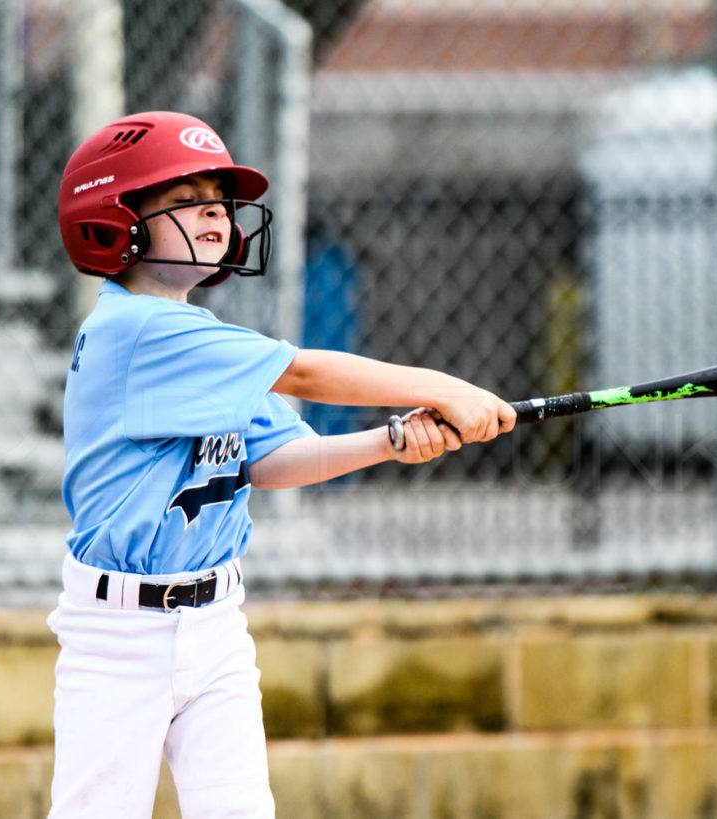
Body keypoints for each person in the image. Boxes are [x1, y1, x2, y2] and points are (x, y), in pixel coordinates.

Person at [50, 109, 515, 818]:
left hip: (215, 623)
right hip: (119, 636)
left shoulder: (202, 338)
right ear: (117, 220)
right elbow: (307, 375)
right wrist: (442, 385)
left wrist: (391, 440)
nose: (215, 213)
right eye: (185, 199)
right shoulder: (134, 328)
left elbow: (275, 459)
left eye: (219, 199)